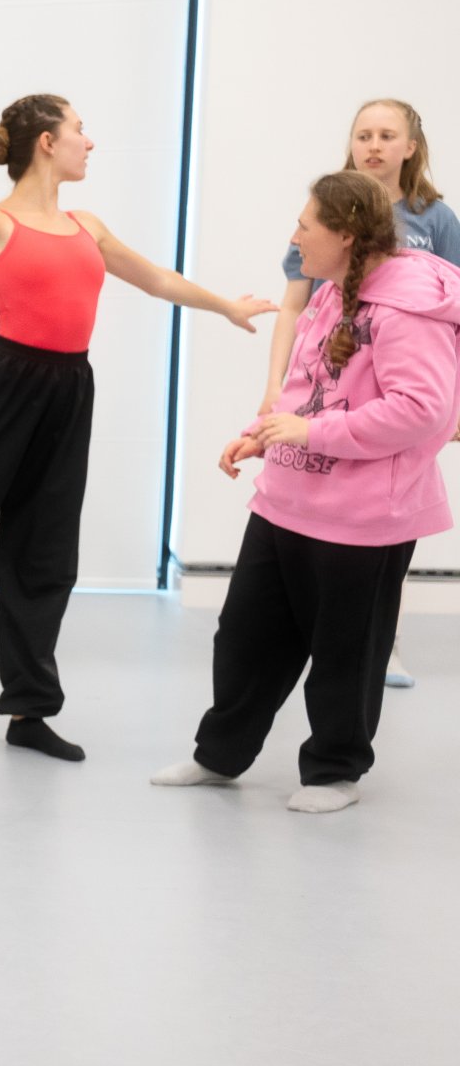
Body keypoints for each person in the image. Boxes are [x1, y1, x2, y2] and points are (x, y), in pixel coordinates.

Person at [0, 96, 274, 760]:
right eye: (80, 129)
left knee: (44, 553)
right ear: (46, 142)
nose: (90, 141)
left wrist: (226, 305)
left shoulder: (88, 225)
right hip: (1, 386)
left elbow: (156, 279)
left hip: (69, 390)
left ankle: (29, 710)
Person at [154, 172, 460, 812]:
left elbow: (422, 409)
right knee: (244, 638)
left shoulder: (408, 309)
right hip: (285, 502)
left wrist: (313, 432)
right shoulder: (327, 296)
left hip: (364, 519)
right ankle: (220, 755)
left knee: (347, 653)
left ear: (345, 235)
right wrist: (260, 434)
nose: (295, 237)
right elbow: (303, 387)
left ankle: (333, 773)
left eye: (305, 225)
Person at [259, 99, 460, 688]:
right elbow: (295, 306)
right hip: (328, 397)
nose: (373, 145)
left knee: (381, 517)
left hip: (400, 396)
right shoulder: (324, 212)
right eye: (363, 135)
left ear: (411, 148)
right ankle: (312, 637)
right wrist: (275, 390)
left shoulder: (435, 219)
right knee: (327, 510)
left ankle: (379, 642)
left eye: (387, 135)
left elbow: (451, 309)